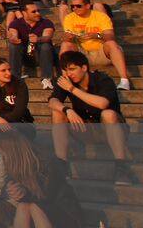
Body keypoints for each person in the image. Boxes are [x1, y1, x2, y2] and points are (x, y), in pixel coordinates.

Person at [49, 50, 135, 185]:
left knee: (108, 114)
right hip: (85, 129)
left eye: (72, 69)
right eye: (66, 70)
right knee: (58, 111)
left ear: (84, 68)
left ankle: (121, 166)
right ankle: (62, 165)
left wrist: (72, 89)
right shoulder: (66, 81)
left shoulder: (103, 80)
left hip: (111, 129)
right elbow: (52, 101)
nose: (69, 74)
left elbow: (102, 103)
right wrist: (67, 110)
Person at [59, 0, 131, 91]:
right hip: (82, 53)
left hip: (101, 52)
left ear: (88, 6)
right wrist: (68, 37)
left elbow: (111, 36)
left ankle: (124, 80)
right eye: (72, 6)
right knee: (65, 44)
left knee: (111, 44)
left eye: (78, 6)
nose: (75, 8)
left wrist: (96, 35)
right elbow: (66, 38)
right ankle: (66, 80)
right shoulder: (70, 18)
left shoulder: (100, 16)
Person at [6, 3, 56, 87]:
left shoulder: (46, 22)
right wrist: (14, 38)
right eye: (34, 12)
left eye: (38, 11)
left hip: (42, 55)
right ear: (24, 13)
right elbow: (13, 33)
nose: (38, 13)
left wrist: (38, 39)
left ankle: (47, 78)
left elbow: (47, 37)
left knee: (45, 45)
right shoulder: (16, 23)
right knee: (13, 46)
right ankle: (15, 78)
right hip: (27, 55)